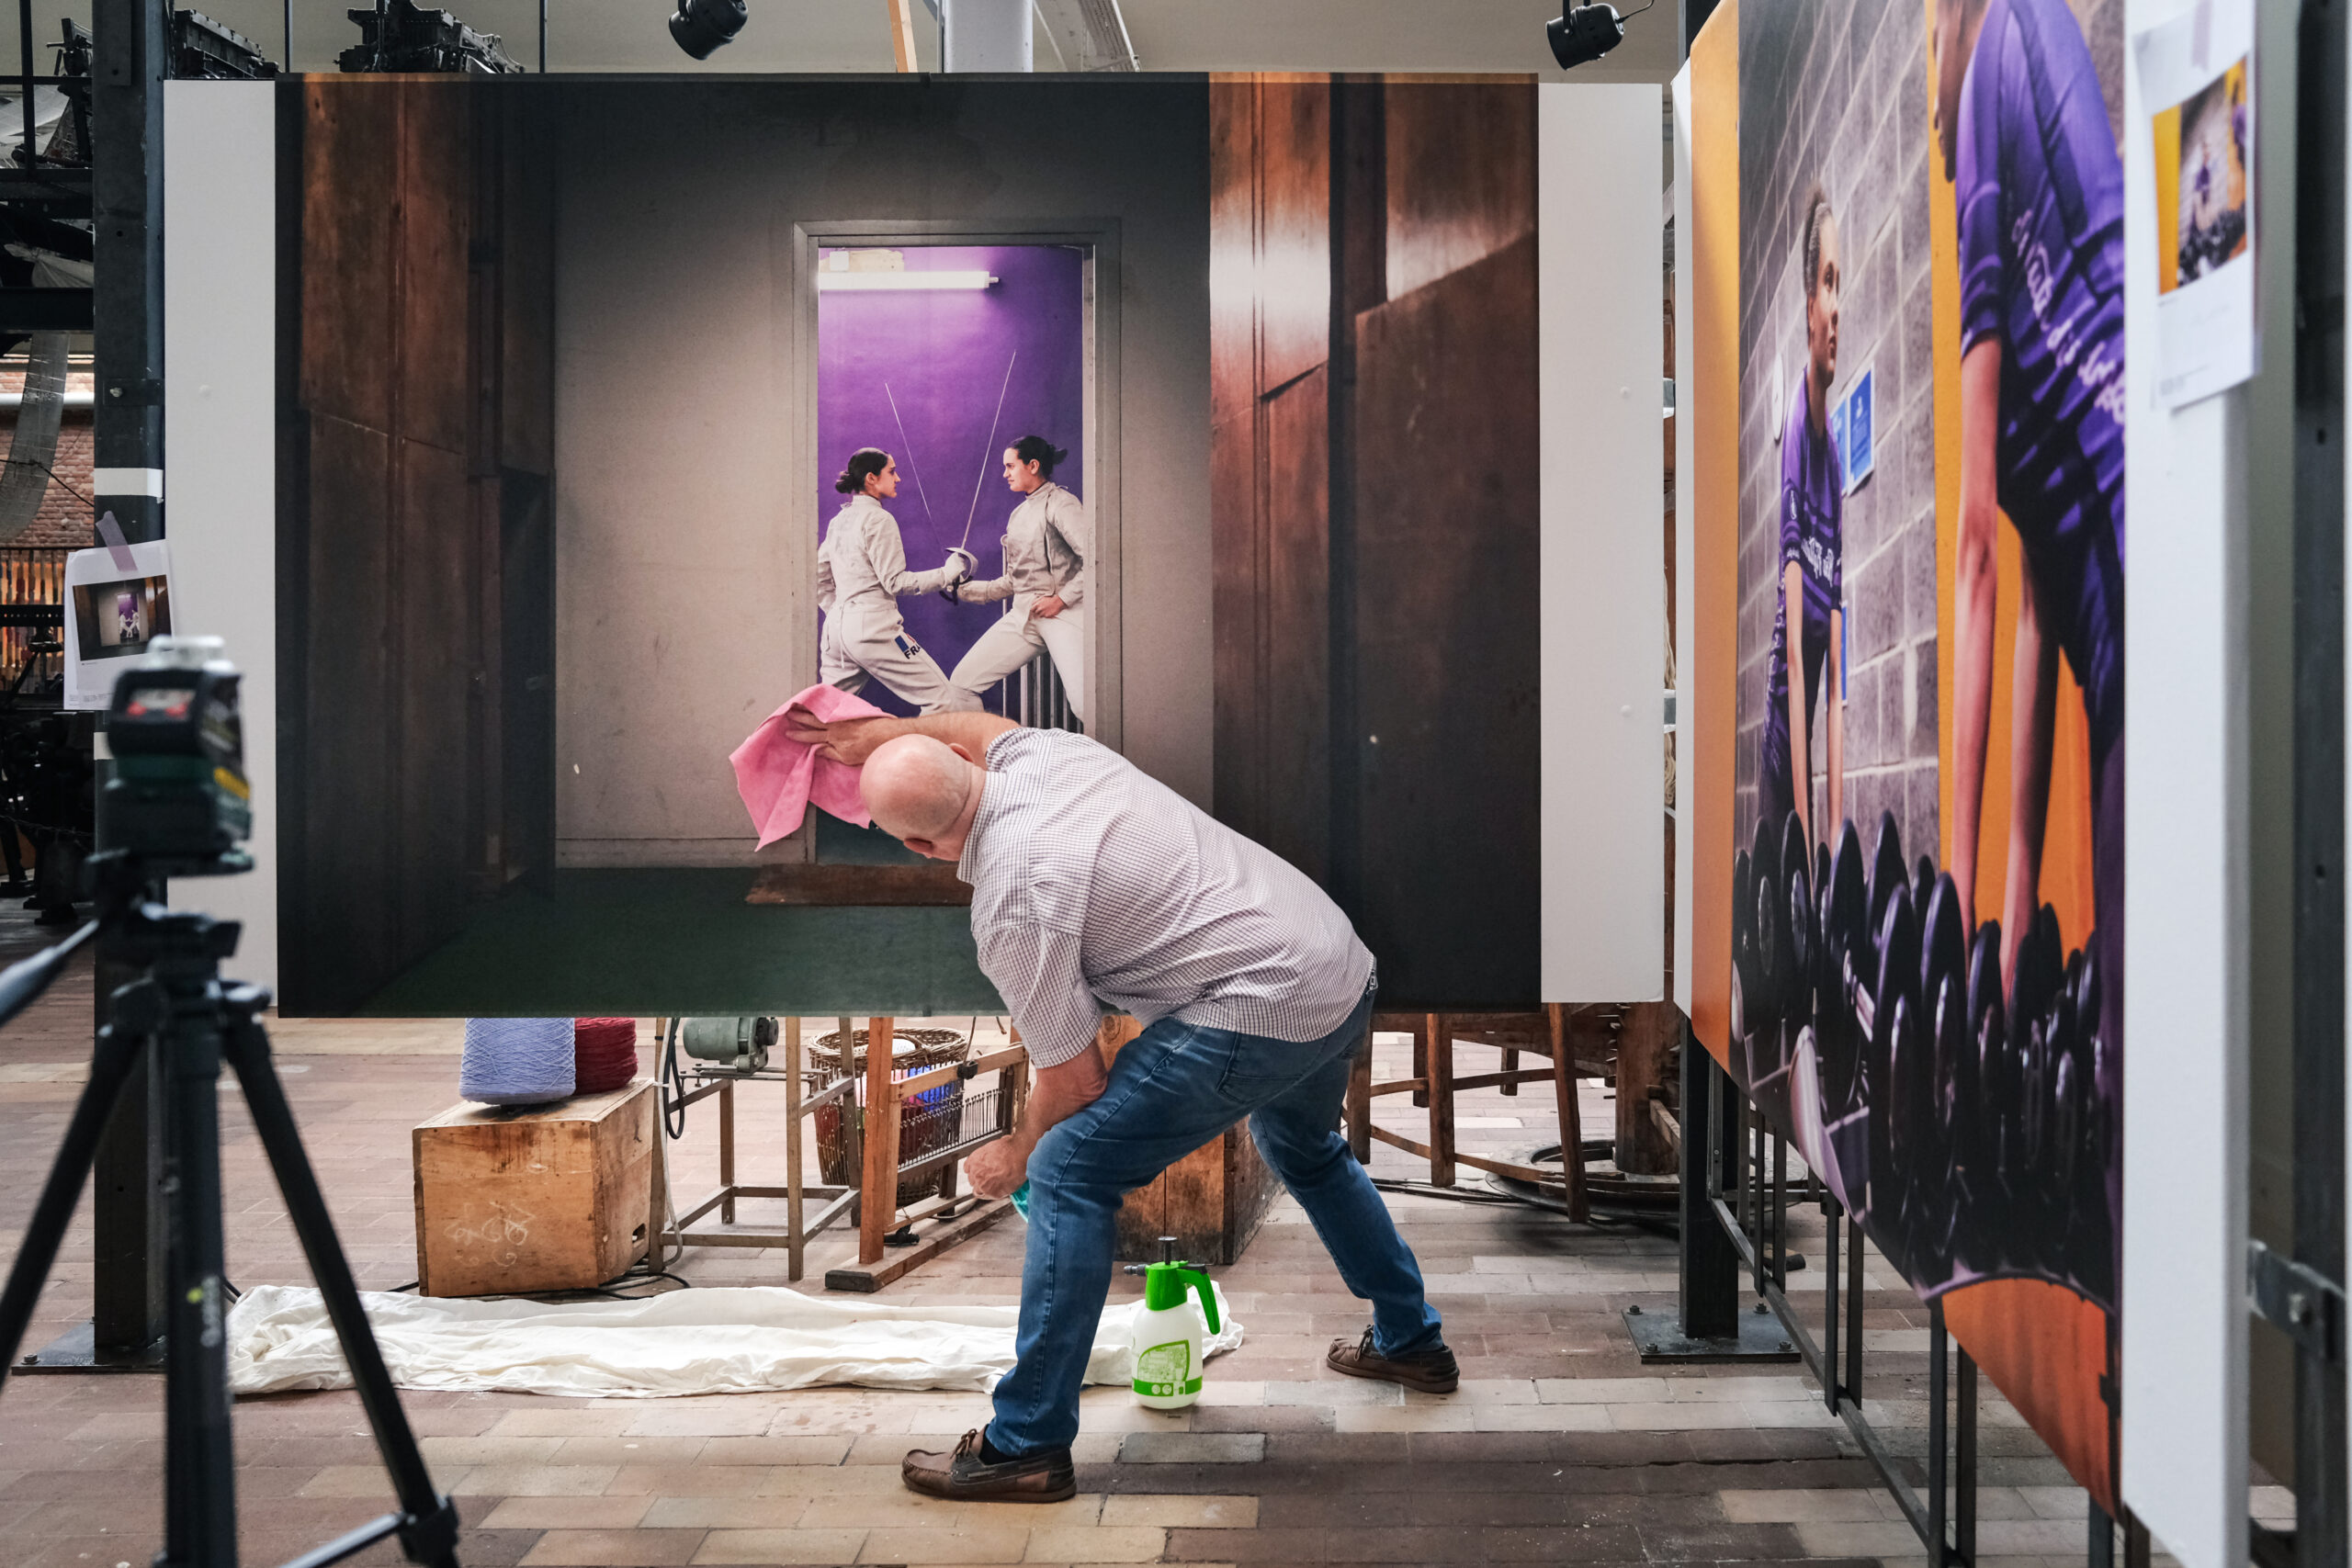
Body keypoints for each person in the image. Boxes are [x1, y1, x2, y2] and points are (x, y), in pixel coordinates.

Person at [784, 705, 1453, 1503]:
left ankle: (1025, 1443)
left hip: (1259, 1003)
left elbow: (1076, 1083)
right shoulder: (1047, 755)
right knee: (1302, 1144)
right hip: (1334, 964)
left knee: (1068, 1168)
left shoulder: (1012, 903)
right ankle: (1411, 1339)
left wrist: (1017, 1149)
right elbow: (977, 722)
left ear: (921, 847)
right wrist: (890, 728)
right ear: (965, 756)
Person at [1936, 0, 2124, 1289]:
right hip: (2122, 619)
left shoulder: (1986, 67)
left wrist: (1951, 916)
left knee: (2132, 1110)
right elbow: (2042, 572)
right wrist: (1998, 920)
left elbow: (1971, 550)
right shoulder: (2029, 39)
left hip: (2146, 598)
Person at [1758, 186, 1845, 856]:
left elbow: (1834, 680)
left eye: (1841, 284)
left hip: (1810, 739)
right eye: (1826, 284)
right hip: (1779, 757)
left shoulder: (1836, 457)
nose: (1838, 308)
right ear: (1806, 307)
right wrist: (1807, 860)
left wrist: (1835, 844)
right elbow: (1794, 653)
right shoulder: (1792, 430)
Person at [819, 447, 980, 714]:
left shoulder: (840, 520)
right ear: (871, 478)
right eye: (892, 471)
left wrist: (840, 612)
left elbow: (818, 574)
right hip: (873, 628)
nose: (898, 478)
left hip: (835, 631)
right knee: (944, 701)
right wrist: (948, 572)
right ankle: (922, 757)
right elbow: (896, 583)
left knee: (828, 715)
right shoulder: (879, 518)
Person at [947, 435, 1091, 722]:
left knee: (1086, 705)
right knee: (960, 684)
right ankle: (982, 757)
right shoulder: (1018, 514)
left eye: (1010, 466)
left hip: (1062, 614)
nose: (1005, 473)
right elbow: (1015, 581)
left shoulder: (1062, 504)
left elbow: (1098, 559)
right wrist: (961, 589)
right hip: (1024, 616)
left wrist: (1061, 600)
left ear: (1033, 465)